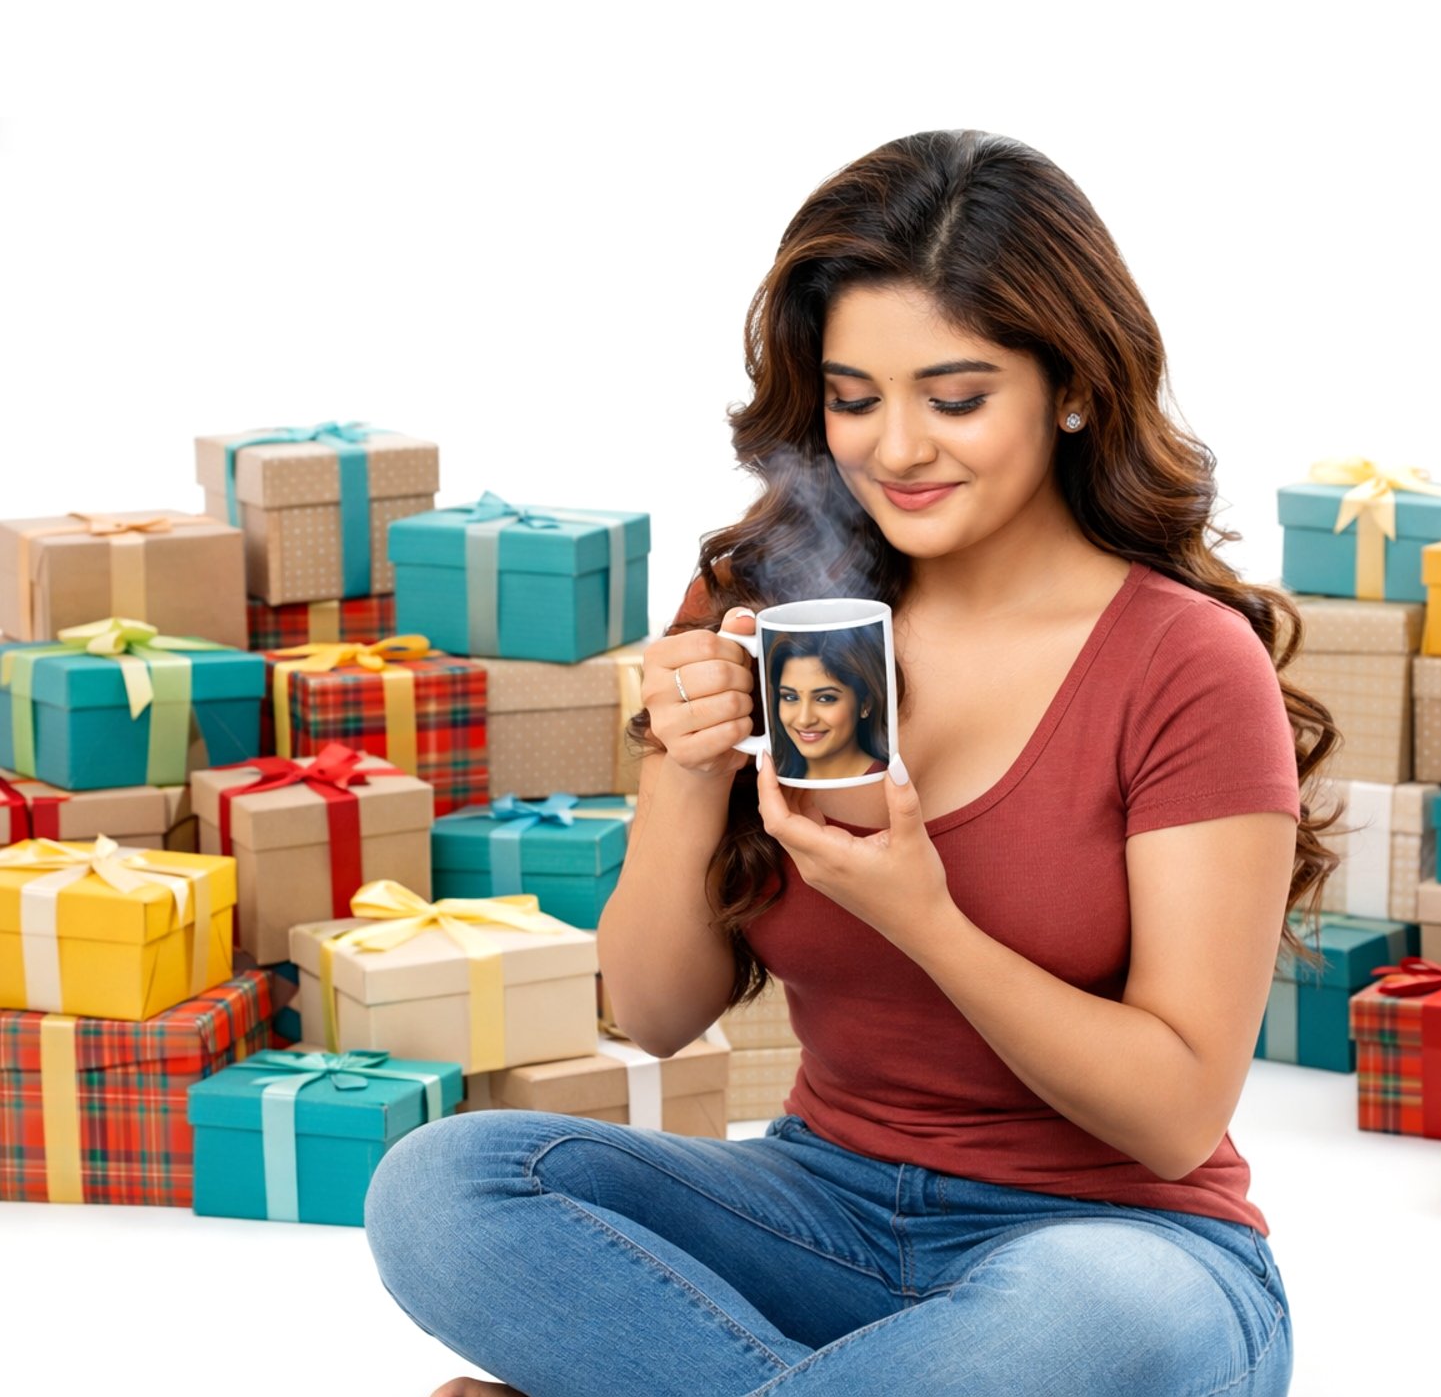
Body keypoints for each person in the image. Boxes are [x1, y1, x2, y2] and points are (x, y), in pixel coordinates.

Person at [365, 129, 1338, 1397]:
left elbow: (1173, 1115)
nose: (894, 450)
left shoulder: (1185, 662)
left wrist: (925, 918)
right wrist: (682, 766)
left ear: (1075, 387)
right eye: (853, 397)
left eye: (956, 397)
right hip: (815, 1211)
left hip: (1118, 1247)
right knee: (445, 1185)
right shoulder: (762, 601)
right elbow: (654, 1014)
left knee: (1106, 1317)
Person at [767, 627, 891, 784]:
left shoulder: (885, 782)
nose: (805, 720)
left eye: (825, 698)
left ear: (865, 703)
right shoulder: (777, 776)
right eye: (790, 697)